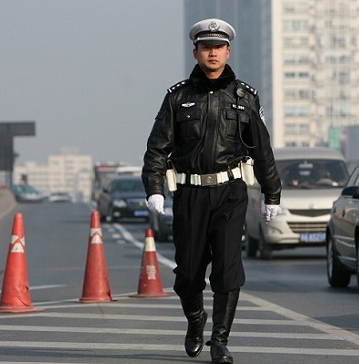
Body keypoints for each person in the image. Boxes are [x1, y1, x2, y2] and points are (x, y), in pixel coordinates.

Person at [142, 18, 281, 364]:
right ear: (197, 52)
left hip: (231, 194)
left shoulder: (245, 97)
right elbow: (157, 147)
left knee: (227, 268)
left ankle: (220, 341)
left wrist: (272, 193)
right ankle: (195, 321)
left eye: (218, 47)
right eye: (206, 48)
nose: (213, 53)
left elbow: (262, 150)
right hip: (190, 195)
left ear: (227, 51)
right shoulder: (177, 97)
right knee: (188, 275)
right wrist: (154, 188)